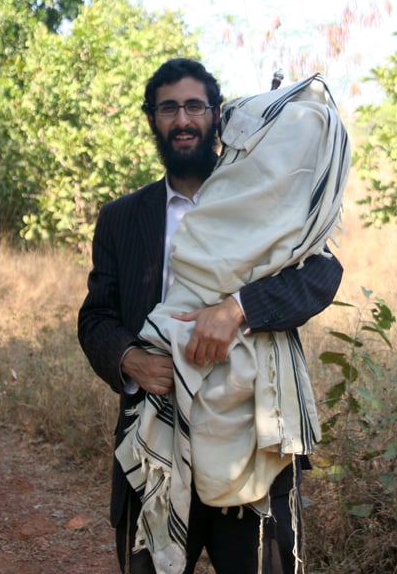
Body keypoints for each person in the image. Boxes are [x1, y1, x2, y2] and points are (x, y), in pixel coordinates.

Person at [78, 58, 344, 574]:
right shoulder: (121, 218)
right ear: (152, 118)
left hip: (253, 432)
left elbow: (322, 275)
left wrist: (238, 309)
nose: (183, 119)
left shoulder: (266, 195)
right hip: (156, 432)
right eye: (169, 108)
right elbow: (96, 318)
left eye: (195, 106)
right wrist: (130, 359)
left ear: (217, 116)